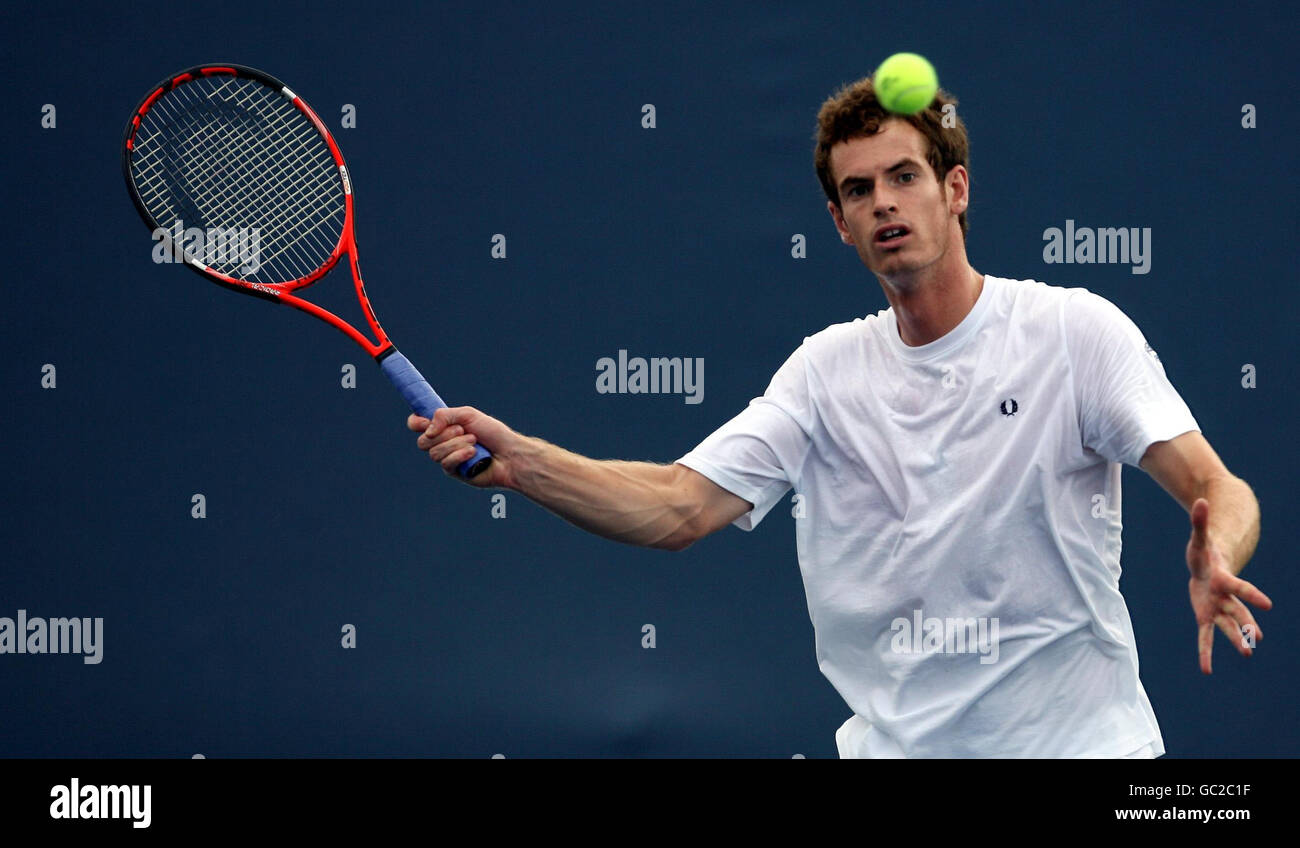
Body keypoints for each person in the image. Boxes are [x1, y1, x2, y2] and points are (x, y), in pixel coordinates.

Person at [407, 76, 1271, 758]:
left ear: (955, 188)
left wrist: (1217, 554)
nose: (885, 202)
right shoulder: (823, 375)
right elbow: (677, 506)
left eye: (905, 176)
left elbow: (1215, 485)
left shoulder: (1074, 332)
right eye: (860, 191)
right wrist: (523, 465)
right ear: (840, 223)